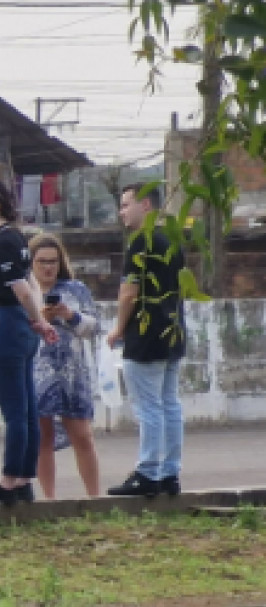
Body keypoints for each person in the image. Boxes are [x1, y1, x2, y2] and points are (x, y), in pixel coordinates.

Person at [0, 176, 59, 504]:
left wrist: (37, 318)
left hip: (4, 323)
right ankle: (22, 479)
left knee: (15, 409)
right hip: (16, 324)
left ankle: (9, 481)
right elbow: (31, 282)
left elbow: (21, 288)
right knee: (27, 407)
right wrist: (39, 319)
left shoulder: (5, 240)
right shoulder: (14, 238)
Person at [107, 182, 188, 497]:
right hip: (173, 332)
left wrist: (117, 328)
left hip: (145, 333)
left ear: (146, 206)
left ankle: (147, 472)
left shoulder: (141, 242)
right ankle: (170, 472)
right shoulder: (171, 240)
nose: (121, 211)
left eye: (127, 204)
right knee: (169, 404)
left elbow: (129, 292)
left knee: (149, 407)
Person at [29, 233, 102, 499]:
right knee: (42, 437)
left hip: (72, 372)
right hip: (39, 370)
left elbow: (93, 327)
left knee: (82, 435)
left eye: (53, 261)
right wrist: (39, 318)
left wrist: (69, 315)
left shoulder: (75, 290)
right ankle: (49, 499)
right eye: (41, 262)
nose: (48, 267)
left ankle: (95, 497)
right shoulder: (25, 292)